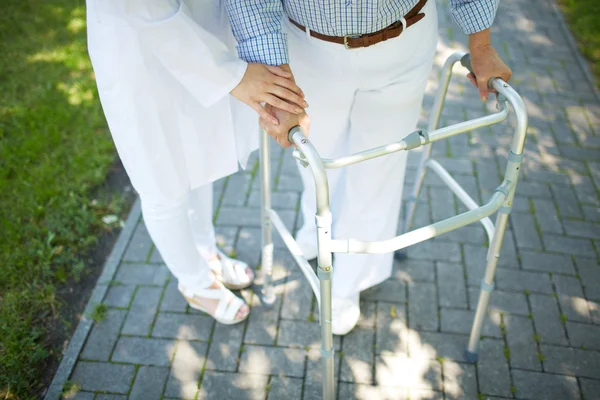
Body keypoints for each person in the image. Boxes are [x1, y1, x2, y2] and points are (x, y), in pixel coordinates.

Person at [227, 0, 512, 334]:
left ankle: (349, 281)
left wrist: (482, 44)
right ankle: (318, 229)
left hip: (404, 36)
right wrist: (277, 81)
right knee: (318, 157)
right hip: (307, 46)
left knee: (379, 168)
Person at [86, 0, 307, 325]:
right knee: (161, 180)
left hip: (198, 31)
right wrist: (230, 74)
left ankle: (206, 251)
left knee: (198, 159)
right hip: (138, 49)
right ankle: (195, 282)